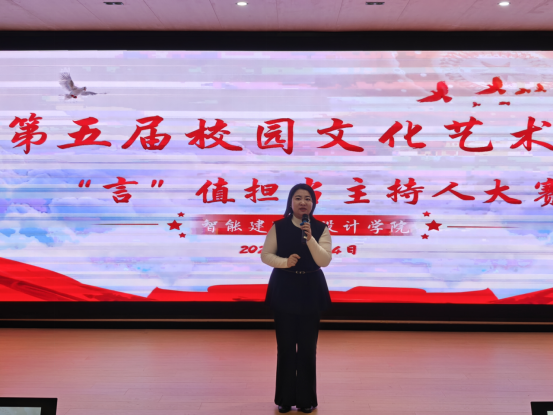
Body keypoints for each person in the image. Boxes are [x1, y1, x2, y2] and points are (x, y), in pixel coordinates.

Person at [261, 183, 332, 414]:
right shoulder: (278, 226)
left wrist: (310, 238)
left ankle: (305, 400)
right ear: (290, 202)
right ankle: (284, 398)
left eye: (308, 198)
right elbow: (266, 255)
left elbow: (324, 260)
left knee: (308, 348)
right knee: (286, 347)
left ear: (313, 203)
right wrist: (285, 262)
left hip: (311, 289)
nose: (303, 202)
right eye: (298, 198)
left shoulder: (320, 228)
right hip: (285, 288)